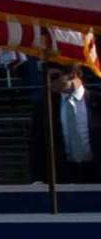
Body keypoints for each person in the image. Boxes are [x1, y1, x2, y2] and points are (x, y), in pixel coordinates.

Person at [42, 60, 100, 190]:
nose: (49, 81)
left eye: (54, 77)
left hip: (96, 170)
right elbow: (37, 143)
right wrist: (38, 179)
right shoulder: (46, 106)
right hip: (64, 174)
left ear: (72, 74)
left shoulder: (97, 101)